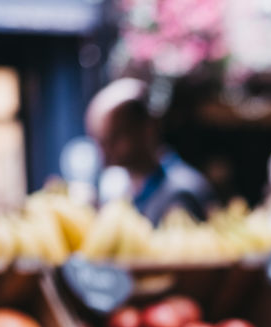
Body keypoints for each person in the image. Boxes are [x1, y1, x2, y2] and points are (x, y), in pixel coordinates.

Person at [85, 78, 216, 222]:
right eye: (99, 142)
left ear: (148, 128)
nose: (104, 151)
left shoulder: (182, 193)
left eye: (114, 139)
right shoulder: (115, 186)